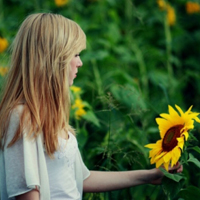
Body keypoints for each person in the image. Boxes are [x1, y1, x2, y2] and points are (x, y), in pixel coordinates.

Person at [0, 13, 182, 200]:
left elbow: (81, 179)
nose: (80, 62)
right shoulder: (21, 116)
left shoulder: (50, 116)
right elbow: (27, 195)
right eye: (76, 54)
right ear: (53, 59)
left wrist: (150, 175)